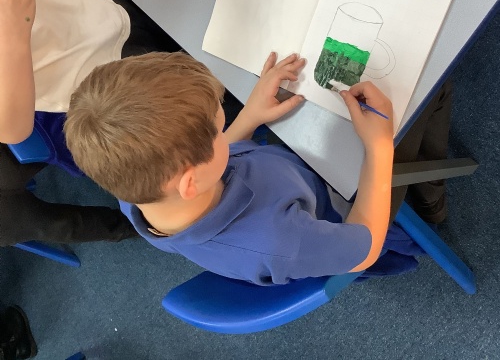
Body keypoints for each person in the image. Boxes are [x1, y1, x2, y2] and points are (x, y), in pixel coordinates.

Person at [64, 50, 405, 285]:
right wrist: (379, 147)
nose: (224, 126)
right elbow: (364, 251)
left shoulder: (139, 196)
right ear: (190, 182)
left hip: (286, 173)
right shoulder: (279, 239)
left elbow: (210, 163)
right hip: (341, 214)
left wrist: (250, 115)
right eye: (218, 129)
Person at [0, 0, 187, 247]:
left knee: (166, 34)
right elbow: (12, 129)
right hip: (92, 79)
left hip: (88, 14)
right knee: (193, 111)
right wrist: (16, 29)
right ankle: (149, 221)